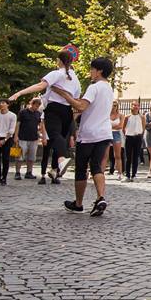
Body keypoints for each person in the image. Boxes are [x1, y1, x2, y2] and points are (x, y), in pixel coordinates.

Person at [50, 58, 115, 216]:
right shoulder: (108, 88)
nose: (90, 72)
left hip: (89, 134)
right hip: (105, 132)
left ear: (99, 71)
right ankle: (100, 197)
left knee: (81, 169)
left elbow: (81, 106)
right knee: (97, 167)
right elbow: (88, 105)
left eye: (92, 69)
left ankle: (78, 204)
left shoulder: (94, 87)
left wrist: (63, 94)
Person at [9, 49, 81, 183]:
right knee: (59, 139)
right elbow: (75, 98)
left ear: (58, 60)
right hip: (67, 111)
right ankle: (54, 169)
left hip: (54, 108)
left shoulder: (56, 73)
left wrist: (19, 93)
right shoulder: (75, 78)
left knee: (55, 135)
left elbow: (40, 86)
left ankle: (61, 160)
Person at [13, 98, 43, 181]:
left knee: (32, 157)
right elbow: (18, 124)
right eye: (36, 105)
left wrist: (40, 133)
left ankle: (29, 172)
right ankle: (17, 172)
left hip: (34, 138)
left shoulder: (38, 114)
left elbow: (40, 125)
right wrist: (16, 136)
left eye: (38, 105)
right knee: (19, 156)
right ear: (32, 104)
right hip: (22, 137)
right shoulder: (23, 112)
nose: (37, 107)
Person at [0, 99, 17, 185]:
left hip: (7, 138)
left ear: (7, 105)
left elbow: (12, 129)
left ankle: (4, 178)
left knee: (5, 158)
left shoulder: (12, 115)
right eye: (0, 103)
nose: (1, 105)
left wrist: (4, 140)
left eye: (3, 103)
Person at [122, 101, 145, 182]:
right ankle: (127, 175)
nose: (135, 107)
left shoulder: (142, 117)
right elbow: (123, 128)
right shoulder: (127, 117)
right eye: (134, 105)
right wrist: (127, 134)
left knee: (136, 157)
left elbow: (143, 127)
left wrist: (140, 135)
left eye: (137, 105)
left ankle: (134, 174)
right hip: (129, 137)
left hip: (138, 137)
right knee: (128, 157)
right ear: (131, 106)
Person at [107, 101, 123, 178]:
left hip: (116, 134)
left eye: (115, 105)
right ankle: (101, 172)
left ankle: (119, 173)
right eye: (112, 105)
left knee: (117, 155)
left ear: (117, 107)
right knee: (105, 155)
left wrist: (110, 127)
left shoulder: (120, 115)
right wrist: (112, 127)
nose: (113, 107)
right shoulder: (106, 114)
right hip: (107, 134)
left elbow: (120, 126)